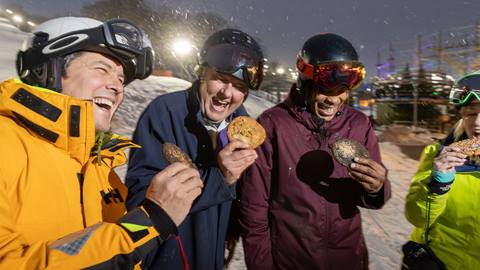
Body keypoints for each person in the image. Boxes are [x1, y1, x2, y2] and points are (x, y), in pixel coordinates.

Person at [0, 17, 203, 269]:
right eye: (102, 68)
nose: (117, 86)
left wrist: (146, 220)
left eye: (121, 78)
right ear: (48, 69)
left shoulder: (100, 168)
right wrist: (150, 221)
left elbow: (106, 249)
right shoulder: (5, 144)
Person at [238, 33, 391, 270]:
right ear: (304, 81)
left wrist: (376, 189)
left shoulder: (359, 125)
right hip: (292, 261)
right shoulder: (272, 125)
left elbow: (371, 196)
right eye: (325, 91)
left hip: (346, 258)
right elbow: (254, 210)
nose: (335, 99)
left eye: (343, 90)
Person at [125, 28, 264, 269]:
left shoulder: (243, 127)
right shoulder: (166, 113)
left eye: (239, 86)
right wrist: (220, 177)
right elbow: (138, 200)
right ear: (201, 73)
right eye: (220, 78)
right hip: (168, 258)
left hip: (212, 256)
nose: (226, 93)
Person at [404, 71, 480, 269]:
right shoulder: (438, 153)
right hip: (437, 261)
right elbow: (417, 217)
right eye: (471, 113)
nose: (478, 122)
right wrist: (439, 184)